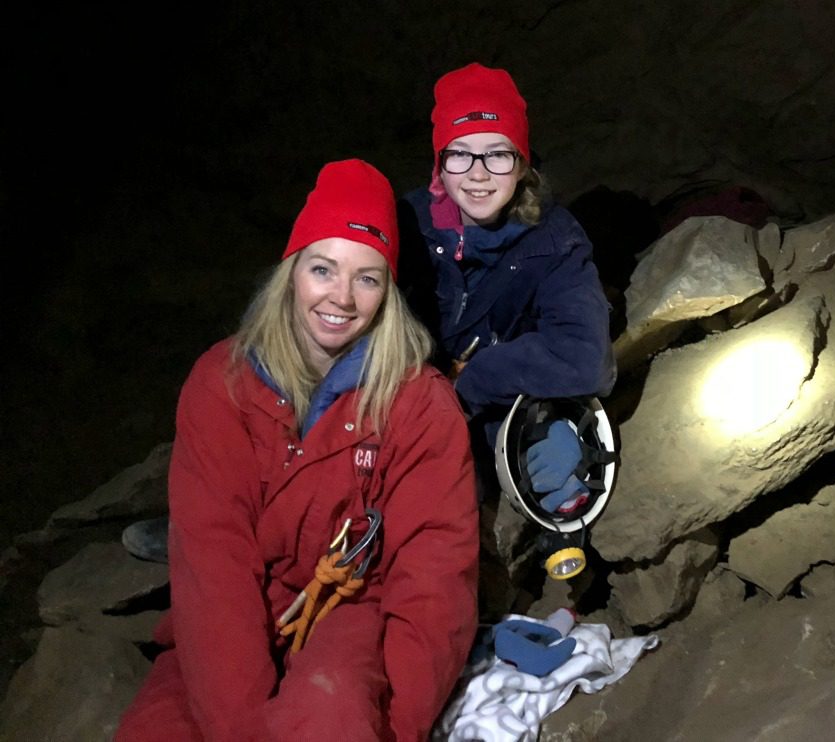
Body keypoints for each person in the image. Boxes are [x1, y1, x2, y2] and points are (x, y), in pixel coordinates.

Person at [115, 159, 479, 741]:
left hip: (353, 612)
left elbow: (433, 587)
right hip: (241, 611)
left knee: (332, 710)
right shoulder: (223, 385)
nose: (342, 297)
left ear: (388, 292)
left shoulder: (417, 405)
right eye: (323, 269)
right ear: (291, 272)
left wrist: (393, 729)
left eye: (367, 278)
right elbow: (213, 565)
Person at [397, 63, 615, 517]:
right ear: (439, 165)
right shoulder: (407, 225)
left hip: (495, 401)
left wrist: (474, 382)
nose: (478, 174)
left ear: (521, 163)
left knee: (551, 464)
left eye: (497, 154)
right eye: (460, 154)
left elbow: (586, 357)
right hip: (408, 397)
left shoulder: (554, 239)